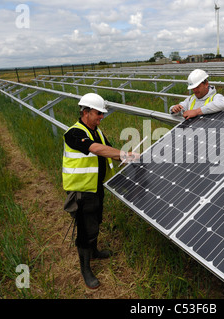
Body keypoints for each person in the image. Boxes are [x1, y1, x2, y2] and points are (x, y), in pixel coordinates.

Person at [62, 92, 138, 289]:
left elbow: (109, 151)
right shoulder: (74, 133)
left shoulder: (97, 131)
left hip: (96, 187)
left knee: (95, 221)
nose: (101, 117)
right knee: (85, 229)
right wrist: (123, 154)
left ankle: (94, 251)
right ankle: (86, 269)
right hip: (81, 190)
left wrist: (126, 158)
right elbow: (96, 149)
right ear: (85, 112)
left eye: (102, 114)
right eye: (98, 113)